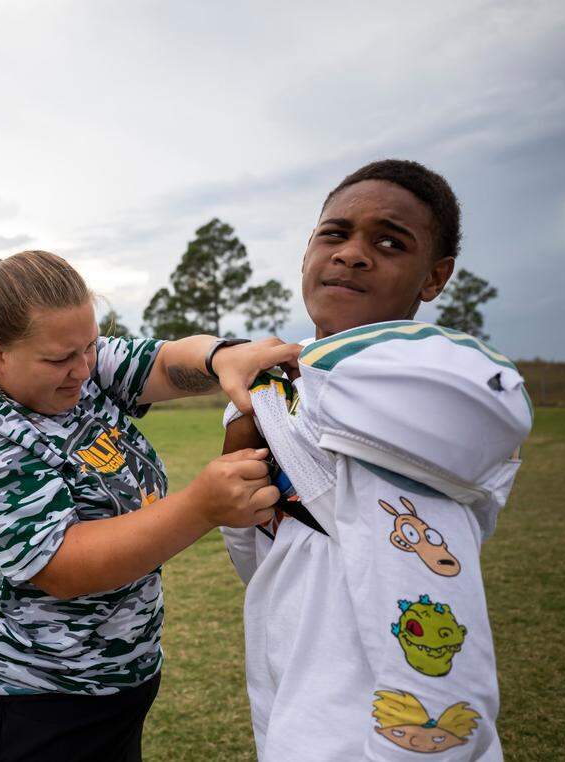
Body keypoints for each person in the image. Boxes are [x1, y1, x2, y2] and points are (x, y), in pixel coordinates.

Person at [0, 250, 300, 761]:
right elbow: (60, 565)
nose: (81, 370)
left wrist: (221, 356)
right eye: (59, 360)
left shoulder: (78, 362)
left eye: (89, 348)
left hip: (102, 694)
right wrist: (201, 507)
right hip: (13, 702)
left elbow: (164, 361)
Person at [219, 160, 532, 760]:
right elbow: (264, 560)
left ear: (434, 278)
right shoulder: (282, 386)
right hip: (297, 690)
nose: (353, 254)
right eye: (334, 234)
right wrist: (246, 424)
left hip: (370, 732)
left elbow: (435, 645)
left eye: (390, 242)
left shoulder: (409, 413)